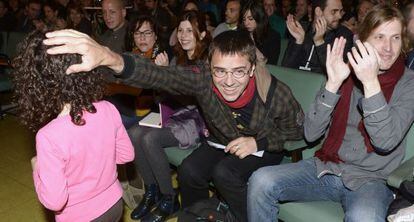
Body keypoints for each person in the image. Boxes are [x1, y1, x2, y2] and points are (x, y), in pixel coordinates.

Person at [43, 28, 304, 222]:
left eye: (238, 71)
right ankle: (199, 216)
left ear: (250, 69)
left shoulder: (274, 93)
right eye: (220, 71)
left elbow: (295, 132)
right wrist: (111, 58)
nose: (228, 81)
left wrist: (257, 142)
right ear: (209, 68)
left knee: (225, 173)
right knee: (189, 170)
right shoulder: (203, 79)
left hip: (262, 146)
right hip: (221, 142)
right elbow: (161, 76)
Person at [248, 5, 414, 222]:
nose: (388, 48)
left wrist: (371, 83)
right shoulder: (343, 72)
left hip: (371, 180)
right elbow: (310, 133)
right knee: (260, 181)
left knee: (364, 217)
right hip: (326, 167)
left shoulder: (408, 83)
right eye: (379, 37)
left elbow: (384, 141)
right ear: (362, 41)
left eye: (395, 38)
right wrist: (333, 84)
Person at [13, 31, 134, 221]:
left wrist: (37, 168)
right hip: (114, 206)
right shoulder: (108, 109)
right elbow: (126, 155)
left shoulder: (48, 136)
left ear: (37, 84)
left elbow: (55, 201)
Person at [128, 10, 211, 222]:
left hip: (199, 120)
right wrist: (163, 81)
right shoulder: (178, 58)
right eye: (180, 30)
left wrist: (165, 76)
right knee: (135, 132)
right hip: (175, 114)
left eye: (189, 31)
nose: (183, 35)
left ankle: (170, 197)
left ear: (201, 34)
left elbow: (195, 99)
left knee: (150, 137)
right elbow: (164, 99)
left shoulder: (206, 62)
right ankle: (151, 192)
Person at [282, 0, 353, 74]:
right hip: (294, 80)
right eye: (334, 11)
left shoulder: (344, 35)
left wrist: (320, 43)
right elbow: (285, 68)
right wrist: (298, 42)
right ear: (318, 11)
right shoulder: (301, 29)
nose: (339, 16)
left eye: (340, 11)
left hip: (322, 84)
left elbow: (336, 73)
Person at [240, 1, 281, 65]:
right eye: (244, 19)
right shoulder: (242, 32)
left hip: (262, 71)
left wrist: (251, 45)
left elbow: (270, 64)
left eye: (250, 19)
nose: (246, 23)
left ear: (259, 17)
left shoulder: (273, 36)